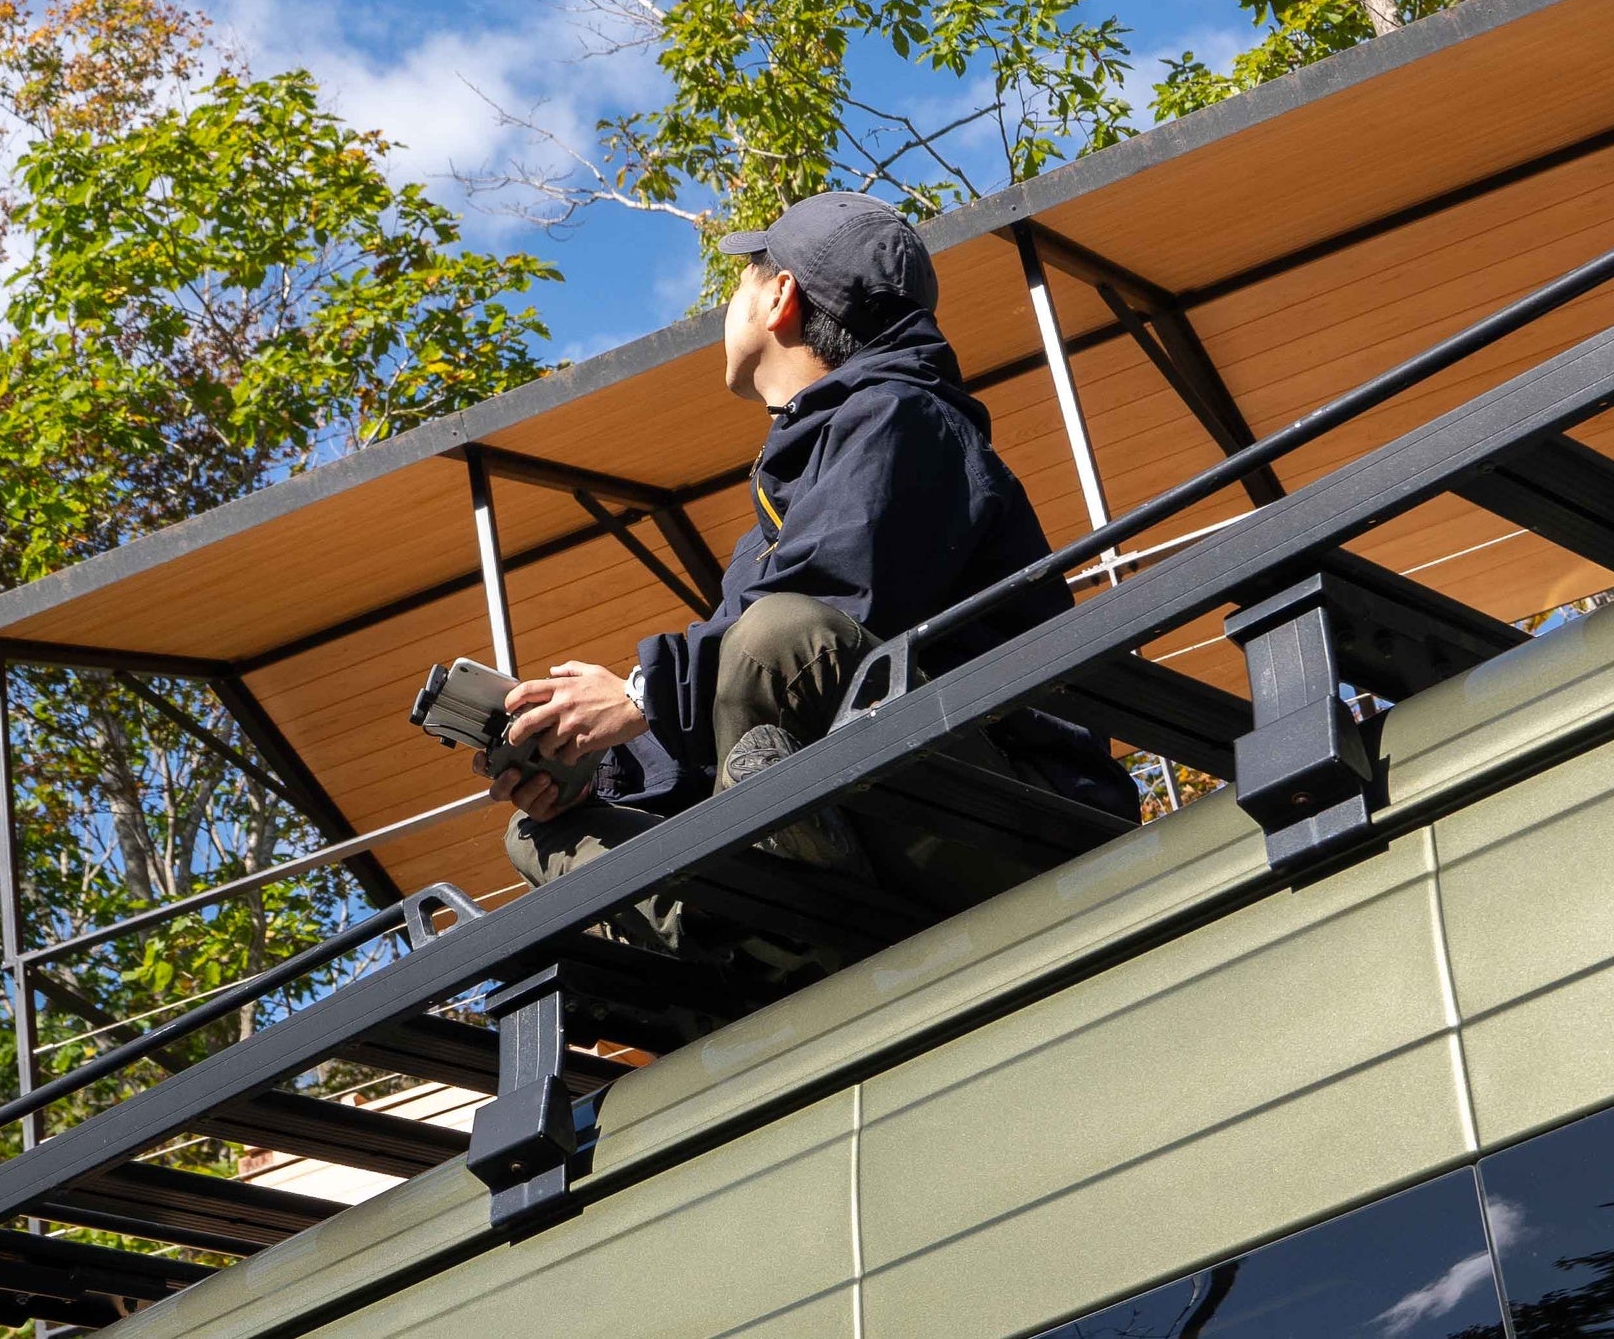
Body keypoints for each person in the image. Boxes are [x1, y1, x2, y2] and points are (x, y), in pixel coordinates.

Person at [487, 189, 1136, 924]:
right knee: (542, 830)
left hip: (1013, 822)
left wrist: (639, 698)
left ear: (780, 298)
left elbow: (813, 625)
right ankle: (745, 936)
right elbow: (729, 699)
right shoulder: (805, 472)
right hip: (887, 815)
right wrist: (592, 770)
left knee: (775, 638)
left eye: (741, 280)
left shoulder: (903, 417)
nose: (727, 305)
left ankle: (762, 912)